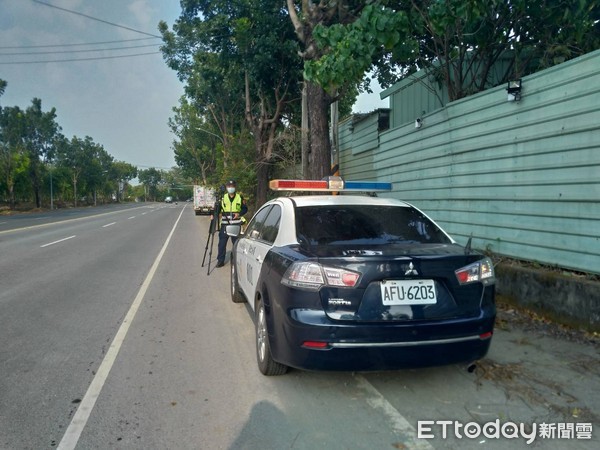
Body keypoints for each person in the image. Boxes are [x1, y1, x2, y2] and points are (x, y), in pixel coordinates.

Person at [214, 179, 247, 267]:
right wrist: (214, 215)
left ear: (235, 187)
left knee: (236, 243)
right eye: (229, 186)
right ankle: (220, 261)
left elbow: (245, 209)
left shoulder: (240, 197)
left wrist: (239, 213)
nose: (230, 188)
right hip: (225, 224)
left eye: (232, 186)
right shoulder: (223, 198)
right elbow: (218, 210)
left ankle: (236, 260)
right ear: (226, 187)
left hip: (236, 224)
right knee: (222, 243)